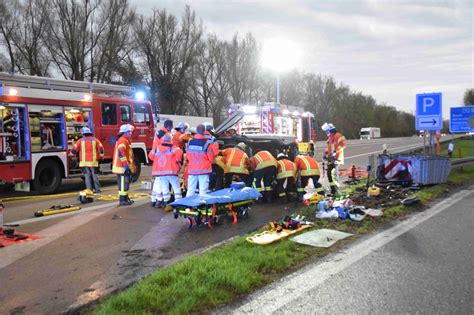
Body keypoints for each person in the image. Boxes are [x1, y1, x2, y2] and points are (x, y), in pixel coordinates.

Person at [148, 134, 183, 208]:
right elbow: (179, 156)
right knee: (176, 186)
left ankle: (165, 201)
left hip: (160, 172)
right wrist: (177, 162)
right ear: (171, 140)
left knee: (164, 187)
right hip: (171, 171)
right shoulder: (174, 148)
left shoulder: (157, 148)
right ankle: (178, 201)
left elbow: (151, 156)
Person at [71, 127, 104, 193]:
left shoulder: (80, 141)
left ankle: (89, 190)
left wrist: (70, 154)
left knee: (87, 177)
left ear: (83, 134)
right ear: (90, 133)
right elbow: (101, 149)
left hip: (84, 163)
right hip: (93, 162)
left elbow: (74, 150)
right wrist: (101, 157)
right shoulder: (95, 140)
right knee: (95, 176)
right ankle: (97, 189)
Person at [186, 124, 215, 196]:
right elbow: (211, 159)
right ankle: (202, 204)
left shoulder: (190, 142)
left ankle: (187, 206)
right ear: (204, 131)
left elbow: (188, 156)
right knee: (203, 190)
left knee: (190, 189)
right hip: (203, 169)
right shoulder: (207, 144)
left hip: (192, 169)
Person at [112, 124, 136, 206]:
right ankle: (122, 200)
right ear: (125, 132)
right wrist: (126, 166)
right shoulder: (123, 140)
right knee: (123, 184)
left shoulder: (124, 140)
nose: (130, 133)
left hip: (122, 166)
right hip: (121, 167)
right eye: (129, 132)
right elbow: (121, 154)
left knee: (124, 184)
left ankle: (125, 199)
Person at [322, 122, 346, 195]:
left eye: (327, 131)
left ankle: (336, 190)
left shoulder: (338, 136)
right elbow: (329, 147)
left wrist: (335, 153)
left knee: (333, 174)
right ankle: (333, 189)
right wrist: (325, 153)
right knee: (329, 173)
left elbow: (343, 145)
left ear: (331, 130)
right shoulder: (330, 138)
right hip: (331, 158)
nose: (326, 133)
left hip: (336, 158)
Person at [204, 123, 220, 190]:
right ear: (211, 130)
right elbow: (215, 151)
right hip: (210, 160)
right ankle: (210, 188)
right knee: (211, 175)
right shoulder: (212, 138)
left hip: (200, 160)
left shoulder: (199, 136)